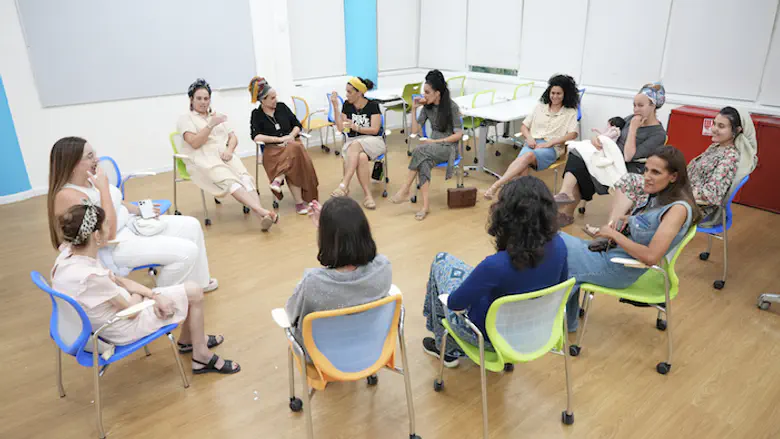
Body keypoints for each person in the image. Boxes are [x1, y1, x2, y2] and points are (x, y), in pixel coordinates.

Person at [52, 203, 239, 374]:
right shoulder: (92, 277)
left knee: (190, 291)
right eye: (106, 224)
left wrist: (152, 294)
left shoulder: (68, 256)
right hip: (122, 326)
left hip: (107, 317)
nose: (110, 228)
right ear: (96, 236)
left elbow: (117, 280)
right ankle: (201, 356)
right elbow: (131, 312)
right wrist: (148, 296)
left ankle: (190, 341)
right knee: (195, 292)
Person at [422, 177, 569, 368]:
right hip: (533, 330)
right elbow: (560, 286)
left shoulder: (495, 266)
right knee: (475, 276)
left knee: (441, 261)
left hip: (488, 337)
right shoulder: (560, 246)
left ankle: (446, 349)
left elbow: (455, 304)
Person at [48, 137, 218, 292]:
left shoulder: (90, 181)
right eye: (90, 156)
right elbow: (108, 234)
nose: (97, 160)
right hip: (113, 246)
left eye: (94, 154)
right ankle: (163, 299)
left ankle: (199, 282)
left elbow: (117, 202)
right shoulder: (69, 196)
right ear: (72, 164)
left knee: (192, 225)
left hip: (130, 225)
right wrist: (104, 188)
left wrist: (141, 210)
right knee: (187, 252)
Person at [562, 146, 701, 331]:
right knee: (557, 244)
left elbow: (651, 256)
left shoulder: (677, 210)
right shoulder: (660, 198)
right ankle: (565, 322)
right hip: (611, 256)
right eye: (646, 170)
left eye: (655, 172)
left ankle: (558, 321)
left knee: (558, 252)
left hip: (618, 268)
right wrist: (628, 220)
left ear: (673, 176)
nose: (647, 176)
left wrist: (614, 235)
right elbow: (648, 225)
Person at [595, 106, 756, 232]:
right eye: (714, 123)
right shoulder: (716, 147)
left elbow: (711, 195)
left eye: (721, 126)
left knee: (632, 183)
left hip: (694, 206)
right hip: (682, 193)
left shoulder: (730, 157)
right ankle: (613, 231)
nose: (714, 129)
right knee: (630, 180)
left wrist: (674, 188)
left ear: (736, 131)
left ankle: (611, 233)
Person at [285, 197, 392, 350]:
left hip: (324, 357)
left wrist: (327, 230)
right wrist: (329, 225)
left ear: (325, 238)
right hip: (372, 349)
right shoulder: (383, 267)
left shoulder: (313, 283)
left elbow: (290, 314)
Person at [555, 83, 668, 226]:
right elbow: (612, 133)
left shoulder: (658, 134)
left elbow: (628, 156)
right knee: (577, 153)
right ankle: (566, 194)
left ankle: (567, 212)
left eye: (640, 105)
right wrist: (598, 139)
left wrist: (633, 129)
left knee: (583, 167)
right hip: (609, 157)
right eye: (634, 105)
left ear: (653, 106)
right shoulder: (630, 118)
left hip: (628, 167)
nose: (636, 109)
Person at [177, 78, 278, 231]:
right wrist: (211, 124)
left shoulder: (216, 115)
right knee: (232, 182)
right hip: (204, 158)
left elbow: (233, 137)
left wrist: (229, 150)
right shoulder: (186, 119)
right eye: (199, 98)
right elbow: (195, 143)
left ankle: (262, 217)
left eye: (206, 98)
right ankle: (261, 211)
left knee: (246, 179)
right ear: (191, 99)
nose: (203, 102)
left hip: (226, 155)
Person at [483, 74, 580, 200]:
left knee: (527, 156)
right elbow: (524, 126)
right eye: (552, 93)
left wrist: (551, 143)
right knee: (523, 166)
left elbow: (573, 134)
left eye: (558, 94)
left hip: (551, 148)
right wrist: (529, 138)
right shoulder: (540, 107)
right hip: (532, 143)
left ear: (565, 94)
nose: (555, 96)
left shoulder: (570, 112)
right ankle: (522, 198)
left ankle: (497, 185)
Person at [390, 70, 464, 220]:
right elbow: (414, 131)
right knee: (423, 162)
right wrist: (414, 109)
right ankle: (425, 206)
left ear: (437, 93)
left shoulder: (452, 107)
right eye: (424, 92)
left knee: (419, 150)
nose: (424, 95)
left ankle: (405, 189)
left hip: (449, 148)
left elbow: (458, 135)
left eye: (427, 92)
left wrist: (435, 142)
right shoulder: (427, 107)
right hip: (432, 147)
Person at [249, 76, 320, 215]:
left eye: (275, 97)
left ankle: (279, 179)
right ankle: (301, 203)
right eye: (272, 98)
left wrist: (291, 136)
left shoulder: (282, 107)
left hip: (292, 145)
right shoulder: (257, 114)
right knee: (295, 152)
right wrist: (278, 139)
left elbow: (297, 125)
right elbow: (256, 136)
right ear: (263, 100)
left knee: (294, 149)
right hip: (273, 150)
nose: (275, 100)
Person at [329, 77, 386, 209]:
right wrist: (335, 107)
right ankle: (368, 196)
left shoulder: (372, 105)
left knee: (355, 146)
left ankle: (344, 184)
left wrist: (356, 128)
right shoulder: (347, 105)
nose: (347, 95)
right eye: (346, 91)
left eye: (349, 92)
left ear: (359, 92)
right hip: (353, 142)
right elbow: (341, 128)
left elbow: (375, 129)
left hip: (373, 141)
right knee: (361, 157)